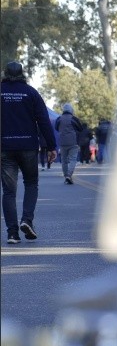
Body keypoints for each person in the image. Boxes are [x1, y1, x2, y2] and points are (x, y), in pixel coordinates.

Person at [1, 61, 57, 244]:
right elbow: (43, 120)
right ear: (22, 73)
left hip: (5, 147)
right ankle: (27, 220)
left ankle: (12, 233)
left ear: (5, 73)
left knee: (9, 191)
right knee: (31, 183)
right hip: (28, 147)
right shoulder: (31, 92)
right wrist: (51, 146)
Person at [54, 103, 83, 185]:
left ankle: (66, 175)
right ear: (71, 110)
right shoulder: (74, 119)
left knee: (64, 160)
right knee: (73, 159)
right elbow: (80, 128)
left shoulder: (59, 119)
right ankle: (69, 176)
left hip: (62, 142)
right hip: (73, 142)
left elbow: (56, 128)